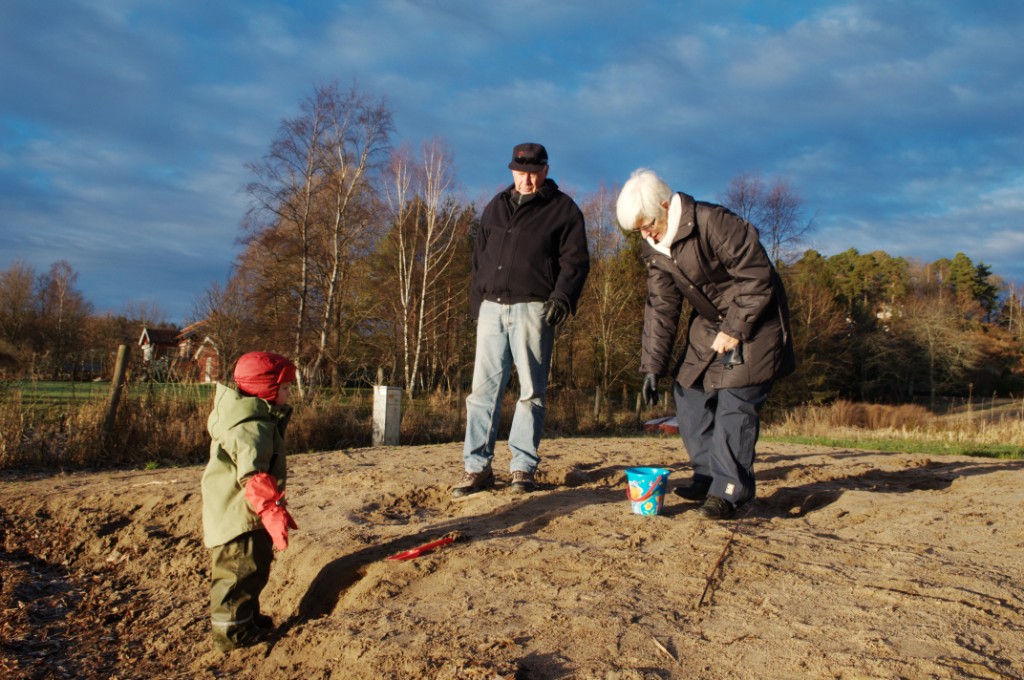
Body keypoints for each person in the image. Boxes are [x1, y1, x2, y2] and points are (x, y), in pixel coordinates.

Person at [616, 168, 795, 519]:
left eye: (648, 222)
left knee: (735, 400)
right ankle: (709, 474)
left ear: (666, 205)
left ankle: (731, 492)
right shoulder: (654, 247)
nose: (645, 232)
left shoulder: (714, 222)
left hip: (757, 319)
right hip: (711, 322)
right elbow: (661, 307)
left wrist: (735, 328)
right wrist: (653, 366)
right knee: (688, 391)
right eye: (638, 229)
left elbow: (758, 277)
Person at [453, 142, 590, 498]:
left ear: (544, 170)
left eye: (532, 173)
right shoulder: (495, 207)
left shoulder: (563, 210)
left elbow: (575, 261)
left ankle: (522, 468)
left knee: (531, 392)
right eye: (519, 172)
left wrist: (562, 297)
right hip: (492, 308)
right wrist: (477, 305)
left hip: (533, 309)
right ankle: (477, 468)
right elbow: (478, 259)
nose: (525, 180)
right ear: (511, 170)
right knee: (482, 394)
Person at [201, 351, 299, 652]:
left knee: (254, 568)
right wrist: (271, 511)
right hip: (239, 518)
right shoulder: (252, 428)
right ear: (266, 389)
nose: (289, 392)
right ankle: (233, 634)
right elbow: (253, 475)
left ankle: (249, 619)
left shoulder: (250, 418)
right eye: (284, 387)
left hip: (242, 513)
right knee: (237, 574)